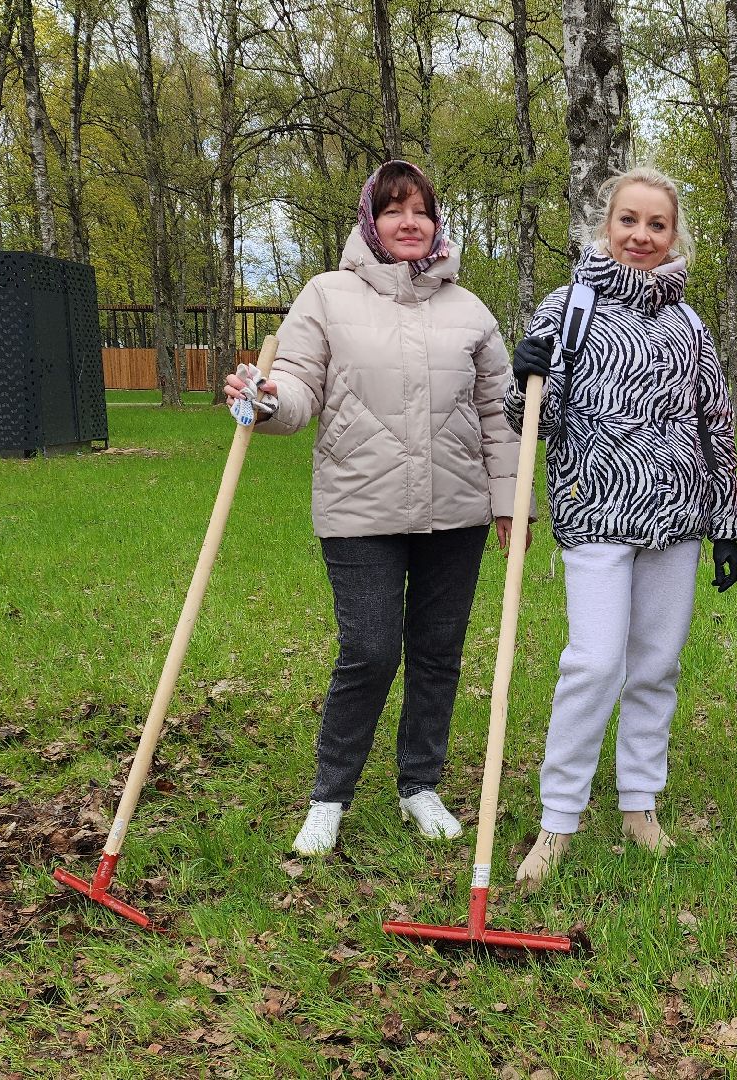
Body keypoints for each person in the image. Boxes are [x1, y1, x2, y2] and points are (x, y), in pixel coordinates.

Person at [224, 161, 520, 856]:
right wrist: (265, 399)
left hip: (457, 512)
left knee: (438, 652)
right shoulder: (327, 296)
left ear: (437, 223)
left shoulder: (470, 310)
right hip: (361, 509)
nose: (409, 222)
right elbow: (298, 388)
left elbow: (501, 416)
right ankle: (330, 795)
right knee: (370, 648)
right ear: (371, 222)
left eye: (421, 210)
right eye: (394, 210)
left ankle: (420, 783)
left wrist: (510, 502)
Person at [505, 166, 737, 890]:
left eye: (657, 224)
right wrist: (525, 378)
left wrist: (725, 519)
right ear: (604, 228)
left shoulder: (689, 323)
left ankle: (640, 805)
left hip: (676, 515)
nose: (641, 236)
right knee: (595, 663)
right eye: (628, 221)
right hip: (595, 510)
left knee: (656, 666)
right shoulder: (567, 307)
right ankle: (558, 820)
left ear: (675, 236)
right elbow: (533, 425)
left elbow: (715, 424)